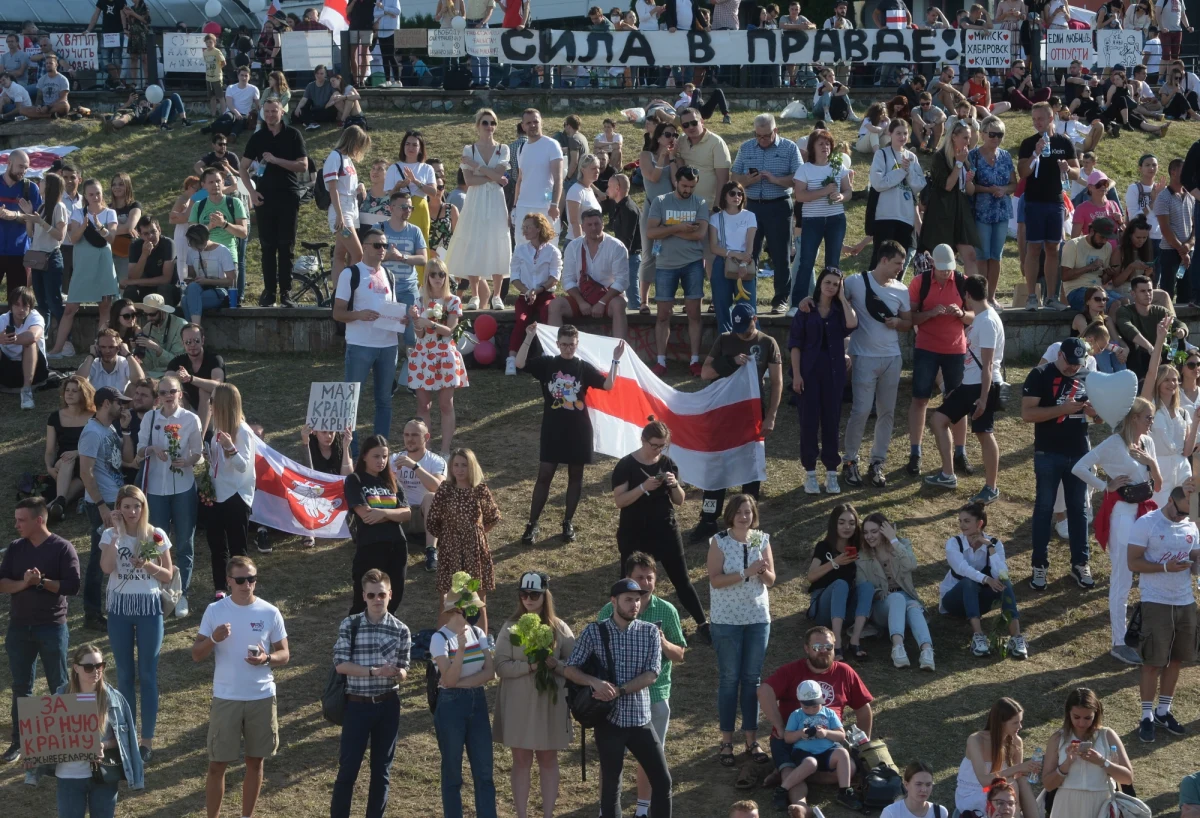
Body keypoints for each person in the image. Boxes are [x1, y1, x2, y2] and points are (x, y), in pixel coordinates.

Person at [192, 556, 289, 818]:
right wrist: (214, 638)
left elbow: (284, 654)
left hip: (261, 696)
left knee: (255, 762)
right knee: (216, 765)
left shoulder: (270, 612)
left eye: (252, 579)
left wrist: (266, 658)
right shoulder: (215, 610)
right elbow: (196, 654)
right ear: (229, 581)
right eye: (241, 580)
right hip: (227, 697)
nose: (247, 585)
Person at [566, 578, 671, 818]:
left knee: (662, 780)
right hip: (609, 721)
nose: (635, 605)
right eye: (628, 600)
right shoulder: (594, 631)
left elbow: (652, 674)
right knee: (611, 787)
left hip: (640, 720)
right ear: (613, 601)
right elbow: (570, 668)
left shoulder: (650, 632)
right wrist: (594, 682)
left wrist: (620, 690)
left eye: (637, 600)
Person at [516, 324, 624, 544]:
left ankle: (567, 523)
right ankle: (532, 524)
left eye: (571, 345)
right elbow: (519, 363)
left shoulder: (583, 367)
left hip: (578, 430)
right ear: (557, 344)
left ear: (577, 344)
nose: (567, 349)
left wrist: (615, 360)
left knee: (575, 476)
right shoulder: (547, 363)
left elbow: (608, 385)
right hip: (553, 428)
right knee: (544, 475)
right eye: (564, 344)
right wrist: (528, 337)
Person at [758, 626, 874, 813]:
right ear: (806, 648)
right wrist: (780, 727)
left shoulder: (844, 671)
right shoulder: (792, 671)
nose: (823, 651)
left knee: (849, 768)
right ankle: (801, 806)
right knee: (792, 769)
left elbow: (863, 708)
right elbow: (764, 690)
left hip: (827, 743)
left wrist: (862, 746)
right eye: (817, 647)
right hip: (793, 740)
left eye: (828, 647)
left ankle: (788, 775)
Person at [0, 497, 80, 763]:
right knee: (21, 687)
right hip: (19, 628)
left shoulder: (62, 548)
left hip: (52, 627)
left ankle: (66, 743)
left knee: (59, 685)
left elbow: (72, 586)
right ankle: (19, 742)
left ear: (39, 520)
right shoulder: (16, 548)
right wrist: (25, 583)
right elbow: (2, 583)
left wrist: (42, 582)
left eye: (21, 520)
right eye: (16, 519)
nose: (16, 525)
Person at [695, 303, 783, 540]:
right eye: (738, 329)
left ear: (755, 319)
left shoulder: (768, 343)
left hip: (751, 413)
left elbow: (777, 382)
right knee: (717, 465)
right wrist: (730, 361)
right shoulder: (725, 339)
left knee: (750, 465)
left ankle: (749, 520)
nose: (741, 333)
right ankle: (708, 518)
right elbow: (705, 373)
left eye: (745, 328)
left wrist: (771, 416)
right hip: (722, 412)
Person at [611, 420, 708, 633]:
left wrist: (674, 485)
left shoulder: (667, 463)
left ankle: (703, 624)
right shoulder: (626, 465)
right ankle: (621, 627)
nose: (657, 450)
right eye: (654, 445)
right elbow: (620, 501)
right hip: (635, 532)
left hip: (665, 530)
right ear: (643, 440)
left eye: (662, 446)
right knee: (629, 584)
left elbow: (680, 500)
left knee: (682, 580)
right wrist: (643, 487)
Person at [24, 642, 144, 815]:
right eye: (89, 667)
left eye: (100, 666)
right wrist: (33, 756)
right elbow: (45, 740)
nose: (96, 671)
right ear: (76, 668)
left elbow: (127, 740)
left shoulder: (115, 700)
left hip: (103, 776)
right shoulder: (58, 701)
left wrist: (103, 745)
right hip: (69, 776)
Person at [98, 484, 172, 763]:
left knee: (148, 675)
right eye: (126, 506)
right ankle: (126, 735)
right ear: (118, 507)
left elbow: (167, 574)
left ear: (143, 507)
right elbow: (107, 568)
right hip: (120, 609)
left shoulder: (155, 534)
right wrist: (117, 535)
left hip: (148, 609)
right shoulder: (110, 534)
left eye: (136, 506)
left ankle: (146, 741)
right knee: (124, 675)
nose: (132, 512)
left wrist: (148, 565)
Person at [330, 568, 411, 818]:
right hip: (357, 705)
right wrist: (375, 672)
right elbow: (341, 665)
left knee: (382, 772)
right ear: (363, 596)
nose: (377, 599)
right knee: (348, 770)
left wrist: (398, 673)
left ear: (390, 595)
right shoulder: (350, 624)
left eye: (382, 594)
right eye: (372, 595)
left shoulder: (401, 629)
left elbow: (405, 668)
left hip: (388, 705)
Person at [494, 572, 575, 818]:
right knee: (521, 760)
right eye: (524, 594)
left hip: (550, 704)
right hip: (518, 703)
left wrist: (555, 665)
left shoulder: (559, 628)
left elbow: (575, 663)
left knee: (548, 759)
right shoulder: (510, 627)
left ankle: (548, 814)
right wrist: (529, 667)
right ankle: (522, 814)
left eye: (534, 594)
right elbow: (500, 666)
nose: (528, 599)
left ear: (544, 595)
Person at [1022, 337, 1097, 593]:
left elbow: (1099, 418)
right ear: (1059, 355)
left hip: (1079, 453)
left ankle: (1081, 563)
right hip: (1048, 453)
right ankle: (1039, 565)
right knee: (1044, 509)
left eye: (1078, 364)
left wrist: (1094, 413)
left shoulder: (1088, 377)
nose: (1073, 368)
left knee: (1079, 509)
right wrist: (1062, 409)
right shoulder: (1040, 374)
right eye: (1070, 362)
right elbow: (1027, 413)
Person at [836, 245, 912, 489]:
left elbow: (908, 322)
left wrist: (899, 322)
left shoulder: (901, 289)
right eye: (898, 263)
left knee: (886, 412)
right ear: (884, 260)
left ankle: (878, 462)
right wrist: (807, 301)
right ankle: (850, 461)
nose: (901, 269)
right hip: (863, 357)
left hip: (892, 358)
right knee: (860, 411)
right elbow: (832, 299)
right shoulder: (856, 282)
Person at [707, 494, 775, 766]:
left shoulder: (761, 539)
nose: (744, 517)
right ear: (730, 515)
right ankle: (726, 741)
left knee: (752, 679)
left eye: (748, 512)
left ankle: (751, 740)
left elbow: (771, 580)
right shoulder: (719, 541)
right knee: (729, 679)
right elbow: (715, 580)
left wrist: (762, 571)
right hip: (726, 621)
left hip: (757, 619)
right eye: (739, 512)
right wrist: (746, 572)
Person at [925, 274, 1005, 502]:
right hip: (970, 385)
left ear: (967, 295)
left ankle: (991, 488)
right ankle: (947, 474)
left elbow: (987, 364)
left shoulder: (987, 321)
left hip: (982, 386)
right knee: (938, 419)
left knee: (984, 433)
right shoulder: (981, 318)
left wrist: (983, 398)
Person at [132, 372, 201, 616]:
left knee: (184, 542)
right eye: (163, 392)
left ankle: (181, 594)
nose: (168, 396)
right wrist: (152, 448)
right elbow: (139, 452)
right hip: (155, 488)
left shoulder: (191, 419)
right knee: (156, 542)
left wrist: (188, 461)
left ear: (180, 394)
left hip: (183, 487)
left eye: (172, 391)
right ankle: (158, 590)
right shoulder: (150, 417)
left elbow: (198, 454)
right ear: (158, 397)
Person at [431, 581, 497, 818]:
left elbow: (490, 672)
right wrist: (459, 651)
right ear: (458, 610)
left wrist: (461, 684)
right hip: (450, 707)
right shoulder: (439, 638)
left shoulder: (478, 633)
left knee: (484, 772)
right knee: (452, 774)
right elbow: (448, 678)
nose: (475, 612)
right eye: (472, 608)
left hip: (477, 701)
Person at [790, 268, 857, 494]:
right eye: (828, 282)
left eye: (836, 284)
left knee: (831, 422)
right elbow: (795, 345)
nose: (831, 287)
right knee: (808, 423)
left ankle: (831, 473)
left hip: (834, 375)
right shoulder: (806, 309)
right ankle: (810, 473)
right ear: (820, 283)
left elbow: (852, 324)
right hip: (808, 374)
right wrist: (796, 375)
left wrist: (842, 298)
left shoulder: (840, 310)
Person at [906, 245, 972, 477]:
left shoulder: (963, 282)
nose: (946, 273)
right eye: (942, 268)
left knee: (958, 402)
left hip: (955, 350)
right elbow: (910, 317)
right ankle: (915, 452)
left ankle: (960, 452)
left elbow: (975, 314)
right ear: (933, 264)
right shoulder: (919, 282)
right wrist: (930, 313)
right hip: (926, 348)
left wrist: (962, 314)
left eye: (949, 268)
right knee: (920, 399)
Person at [333, 228, 400, 448]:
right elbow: (337, 313)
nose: (382, 249)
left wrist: (402, 320)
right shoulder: (350, 273)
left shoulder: (389, 275)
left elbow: (392, 309)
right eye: (377, 245)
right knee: (350, 401)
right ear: (365, 247)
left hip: (389, 345)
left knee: (385, 400)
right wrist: (359, 315)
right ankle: (350, 452)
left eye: (385, 245)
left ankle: (380, 451)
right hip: (360, 345)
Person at [239, 98, 308, 308]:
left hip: (288, 196)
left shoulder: (293, 134)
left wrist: (277, 160)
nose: (270, 115)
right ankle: (269, 291)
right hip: (264, 198)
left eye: (274, 111)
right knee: (267, 246)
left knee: (286, 246)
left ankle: (286, 292)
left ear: (281, 112)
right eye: (267, 111)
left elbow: (303, 166)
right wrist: (251, 192)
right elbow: (242, 168)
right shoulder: (258, 137)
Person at [729, 115, 799, 316]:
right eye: (758, 136)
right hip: (751, 206)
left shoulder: (789, 148)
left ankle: (781, 300)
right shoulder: (746, 147)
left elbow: (799, 177)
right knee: (749, 254)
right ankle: (746, 300)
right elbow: (734, 177)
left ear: (775, 131)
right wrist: (748, 180)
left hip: (779, 205)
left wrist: (776, 180)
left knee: (781, 255)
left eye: (766, 135)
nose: (762, 139)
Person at [940, 501, 1029, 658]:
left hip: (980, 602)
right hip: (954, 602)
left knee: (1005, 583)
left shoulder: (994, 543)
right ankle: (978, 636)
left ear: (979, 523)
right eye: (960, 521)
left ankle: (1016, 638)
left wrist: (989, 547)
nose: (962, 525)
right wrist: (986, 579)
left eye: (967, 521)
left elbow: (1002, 574)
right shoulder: (954, 543)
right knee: (968, 581)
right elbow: (962, 569)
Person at [446, 109, 513, 310]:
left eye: (492, 123)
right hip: (475, 200)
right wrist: (492, 176)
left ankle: (497, 295)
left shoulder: (503, 149)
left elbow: (500, 175)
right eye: (485, 122)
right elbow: (469, 181)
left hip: (495, 200)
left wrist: (477, 166)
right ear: (478, 125)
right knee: (474, 241)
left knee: (497, 241)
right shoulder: (470, 149)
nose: (489, 127)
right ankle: (474, 295)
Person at [78, 386, 133, 631]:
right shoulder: (91, 432)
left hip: (114, 499)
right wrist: (101, 505)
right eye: (120, 403)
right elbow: (85, 473)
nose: (123, 407)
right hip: (103, 504)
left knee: (118, 554)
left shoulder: (109, 428)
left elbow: (125, 459)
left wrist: (127, 430)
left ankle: (113, 608)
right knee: (100, 557)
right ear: (106, 403)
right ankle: (92, 613)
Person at [1018, 102, 1080, 311]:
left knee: (1053, 249)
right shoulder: (1028, 143)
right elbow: (1023, 173)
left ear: (1051, 118)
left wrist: (1067, 168)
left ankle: (1051, 297)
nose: (1037, 123)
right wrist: (1035, 154)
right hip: (1034, 202)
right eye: (1034, 119)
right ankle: (1031, 297)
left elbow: (1077, 173)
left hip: (1056, 202)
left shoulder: (1064, 142)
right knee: (1034, 248)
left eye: (1041, 118)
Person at [647, 166, 708, 375]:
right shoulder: (661, 201)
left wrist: (667, 229)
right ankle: (661, 361)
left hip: (693, 263)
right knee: (663, 314)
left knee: (694, 313)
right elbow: (651, 232)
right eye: (684, 185)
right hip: (665, 264)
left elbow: (699, 235)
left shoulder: (700, 203)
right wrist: (679, 227)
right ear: (676, 182)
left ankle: (695, 360)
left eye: (691, 186)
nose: (687, 190)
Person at [344, 434, 410, 615]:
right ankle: (355, 631)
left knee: (393, 596)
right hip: (370, 546)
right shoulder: (355, 480)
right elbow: (366, 515)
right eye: (376, 456)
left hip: (397, 545)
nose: (381, 460)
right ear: (364, 456)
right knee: (364, 600)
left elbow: (407, 513)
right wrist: (394, 514)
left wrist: (383, 513)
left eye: (385, 456)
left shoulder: (392, 481)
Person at [859, 513, 934, 670]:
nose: (869, 536)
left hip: (906, 599)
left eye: (874, 531)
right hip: (881, 604)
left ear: (884, 531)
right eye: (865, 532)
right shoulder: (862, 556)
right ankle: (897, 647)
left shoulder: (902, 545)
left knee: (913, 606)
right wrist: (878, 593)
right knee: (898, 599)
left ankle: (927, 651)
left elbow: (911, 565)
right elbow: (861, 585)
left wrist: (894, 541)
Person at [1042, 688, 1135, 811]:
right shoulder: (1058, 738)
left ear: (1095, 714)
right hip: (1067, 803)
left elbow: (1127, 779)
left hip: (1102, 803)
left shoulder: (1107, 735)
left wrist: (1102, 762)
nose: (1081, 723)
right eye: (1076, 717)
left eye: (1087, 718)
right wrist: (1066, 765)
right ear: (1068, 713)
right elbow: (1048, 785)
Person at [790, 130, 850, 312]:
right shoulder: (805, 169)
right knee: (806, 262)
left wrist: (841, 196)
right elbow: (800, 196)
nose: (825, 147)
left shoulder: (838, 166)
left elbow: (848, 191)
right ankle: (797, 304)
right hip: (812, 220)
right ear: (812, 148)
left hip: (835, 220)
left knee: (833, 264)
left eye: (828, 143)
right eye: (821, 144)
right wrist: (824, 191)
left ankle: (831, 305)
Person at [205, 382, 256, 598]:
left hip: (236, 496)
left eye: (212, 400)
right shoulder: (218, 428)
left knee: (237, 548)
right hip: (216, 494)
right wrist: (209, 458)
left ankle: (242, 587)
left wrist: (230, 447)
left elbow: (243, 465)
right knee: (216, 546)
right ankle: (220, 588)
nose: (209, 404)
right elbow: (220, 465)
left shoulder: (242, 431)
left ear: (223, 404)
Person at [549, 209, 630, 341]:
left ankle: (620, 349)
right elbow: (568, 280)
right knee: (555, 305)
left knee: (619, 305)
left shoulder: (616, 246)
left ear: (603, 225)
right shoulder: (573, 246)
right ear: (582, 227)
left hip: (609, 297)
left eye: (597, 224)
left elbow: (622, 281)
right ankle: (556, 349)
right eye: (589, 225)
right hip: (582, 297)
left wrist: (602, 302)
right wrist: (580, 302)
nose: (593, 228)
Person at [805, 504, 873, 659]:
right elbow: (811, 576)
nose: (847, 527)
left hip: (846, 610)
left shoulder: (858, 548)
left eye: (851, 523)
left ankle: (855, 640)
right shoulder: (824, 547)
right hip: (823, 610)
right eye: (841, 522)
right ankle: (836, 643)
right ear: (834, 524)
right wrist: (835, 562)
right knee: (840, 583)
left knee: (867, 587)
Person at [781, 679, 860, 810]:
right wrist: (801, 733)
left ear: (821, 700)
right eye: (806, 707)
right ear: (800, 703)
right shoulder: (796, 715)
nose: (811, 710)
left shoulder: (829, 713)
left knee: (843, 753)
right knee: (811, 763)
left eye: (815, 706)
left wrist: (826, 733)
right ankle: (782, 789)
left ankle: (845, 791)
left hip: (827, 751)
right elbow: (787, 738)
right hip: (803, 753)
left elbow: (841, 735)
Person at [955, 698, 1041, 818]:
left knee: (1021, 781)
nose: (1020, 726)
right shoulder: (976, 740)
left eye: (1020, 722)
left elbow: (1017, 775)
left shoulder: (1016, 741)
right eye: (1015, 723)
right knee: (1011, 784)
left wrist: (1028, 770)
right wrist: (1019, 767)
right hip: (979, 791)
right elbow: (984, 781)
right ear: (1001, 722)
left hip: (1001, 791)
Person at [920, 125, 980, 279]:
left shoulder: (965, 157)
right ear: (954, 137)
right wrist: (958, 164)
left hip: (961, 209)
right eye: (965, 137)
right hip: (942, 211)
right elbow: (947, 186)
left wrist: (969, 181)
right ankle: (942, 290)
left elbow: (970, 191)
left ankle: (973, 292)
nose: (968, 141)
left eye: (969, 138)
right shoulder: (940, 157)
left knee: (971, 255)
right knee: (944, 258)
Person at [506, 213, 561, 376]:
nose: (524, 231)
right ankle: (512, 359)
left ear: (538, 229)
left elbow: (554, 277)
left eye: (528, 227)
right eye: (523, 228)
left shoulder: (553, 251)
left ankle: (548, 354)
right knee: (521, 320)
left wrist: (538, 290)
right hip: (525, 295)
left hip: (545, 295)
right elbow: (514, 276)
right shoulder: (520, 250)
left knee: (546, 315)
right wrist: (527, 291)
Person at [970, 118, 1017, 303]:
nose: (996, 138)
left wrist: (1004, 189)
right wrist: (988, 189)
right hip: (980, 211)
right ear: (982, 134)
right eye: (992, 134)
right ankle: (981, 297)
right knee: (982, 256)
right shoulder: (973, 155)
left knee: (996, 256)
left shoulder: (1005, 156)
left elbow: (1014, 184)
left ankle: (992, 296)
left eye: (1000, 134)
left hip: (1001, 211)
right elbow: (969, 185)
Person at [390, 418, 446, 573]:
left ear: (426, 437)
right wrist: (392, 476)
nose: (409, 439)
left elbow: (439, 488)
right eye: (406, 435)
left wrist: (415, 466)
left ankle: (431, 551)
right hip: (400, 514)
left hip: (424, 516)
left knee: (431, 497)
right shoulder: (394, 459)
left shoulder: (436, 461)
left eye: (414, 435)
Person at [868, 121, 925, 270]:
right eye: (898, 133)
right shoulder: (882, 154)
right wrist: (901, 171)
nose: (902, 137)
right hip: (885, 216)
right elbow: (878, 183)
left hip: (905, 217)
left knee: (898, 264)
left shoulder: (912, 157)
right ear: (890, 134)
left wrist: (909, 172)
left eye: (905, 133)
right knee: (880, 261)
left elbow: (919, 185)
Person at [637, 122, 677, 315]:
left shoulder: (675, 158)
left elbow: (676, 183)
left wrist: (673, 159)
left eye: (675, 135)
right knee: (649, 255)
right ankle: (643, 301)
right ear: (659, 137)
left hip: (670, 212)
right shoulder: (646, 155)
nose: (672, 138)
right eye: (668, 134)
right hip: (651, 209)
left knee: (669, 256)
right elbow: (653, 177)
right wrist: (662, 157)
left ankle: (667, 300)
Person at [1115, 275, 1187, 382]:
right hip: (1139, 356)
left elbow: (1179, 323)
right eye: (1143, 291)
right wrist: (1150, 348)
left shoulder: (1160, 311)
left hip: (1160, 355)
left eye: (1150, 290)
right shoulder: (1124, 311)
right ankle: (1139, 381)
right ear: (1133, 294)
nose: (1147, 294)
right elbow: (1128, 328)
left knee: (1179, 340)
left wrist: (1182, 331)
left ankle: (1175, 374)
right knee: (1133, 344)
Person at [709, 182, 759, 335]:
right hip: (722, 262)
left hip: (745, 261)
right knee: (722, 305)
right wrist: (733, 254)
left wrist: (743, 262)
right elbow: (714, 247)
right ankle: (725, 342)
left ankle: (752, 340)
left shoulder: (750, 216)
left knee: (748, 307)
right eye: (732, 193)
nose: (736, 196)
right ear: (725, 196)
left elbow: (750, 245)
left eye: (740, 194)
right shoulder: (716, 218)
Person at [512, 109, 564, 252]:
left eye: (536, 121)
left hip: (545, 207)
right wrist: (515, 206)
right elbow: (520, 179)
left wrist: (554, 204)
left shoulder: (552, 145)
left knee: (548, 248)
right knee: (522, 249)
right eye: (529, 123)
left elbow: (558, 178)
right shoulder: (521, 148)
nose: (533, 125)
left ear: (541, 122)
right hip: (523, 207)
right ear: (523, 126)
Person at [45, 376, 94, 522]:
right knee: (67, 459)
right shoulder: (55, 417)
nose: (69, 394)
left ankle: (54, 507)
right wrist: (49, 468)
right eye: (67, 390)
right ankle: (59, 502)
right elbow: (50, 450)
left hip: (86, 460)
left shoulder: (94, 417)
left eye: (74, 391)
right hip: (63, 463)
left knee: (83, 477)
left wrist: (77, 452)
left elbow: (99, 444)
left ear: (84, 394)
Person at [1153, 158, 1194, 304]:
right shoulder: (1163, 197)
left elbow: (1195, 225)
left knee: (1187, 292)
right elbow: (1165, 229)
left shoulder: (1191, 196)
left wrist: (1189, 244)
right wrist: (1182, 251)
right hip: (1170, 252)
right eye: (1184, 170)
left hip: (1189, 250)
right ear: (1173, 172)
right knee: (1167, 292)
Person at [179, 224, 236, 326]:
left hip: (218, 291)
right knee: (191, 289)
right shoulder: (191, 251)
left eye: (199, 244)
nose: (198, 248)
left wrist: (207, 281)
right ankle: (195, 330)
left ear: (206, 238)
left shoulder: (222, 251)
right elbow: (191, 276)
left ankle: (193, 329)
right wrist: (190, 279)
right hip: (199, 290)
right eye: (194, 245)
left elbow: (231, 280)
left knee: (185, 301)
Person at [0, 285, 47, 408]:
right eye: (17, 304)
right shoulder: (3, 319)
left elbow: (33, 336)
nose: (21, 309)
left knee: (29, 342)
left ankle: (26, 391)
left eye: (25, 305)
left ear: (30, 307)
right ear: (11, 305)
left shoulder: (35, 317)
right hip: (9, 370)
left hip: (36, 371)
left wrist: (14, 339)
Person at [124, 217, 178, 308]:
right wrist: (144, 255)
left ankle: (166, 316)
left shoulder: (168, 244)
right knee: (130, 290)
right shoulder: (135, 246)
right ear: (140, 235)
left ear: (159, 230)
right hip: (144, 288)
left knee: (164, 288)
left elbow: (166, 279)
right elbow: (132, 277)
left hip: (167, 289)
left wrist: (134, 281)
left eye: (153, 231)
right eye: (146, 234)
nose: (150, 236)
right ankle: (128, 315)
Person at [293, 65, 338, 130]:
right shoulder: (310, 85)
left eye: (321, 73)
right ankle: (312, 123)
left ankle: (309, 121)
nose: (319, 75)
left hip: (326, 109)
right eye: (317, 73)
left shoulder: (329, 84)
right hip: (315, 110)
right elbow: (304, 99)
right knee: (296, 112)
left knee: (329, 112)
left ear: (325, 74)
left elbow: (336, 94)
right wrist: (298, 108)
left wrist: (329, 103)